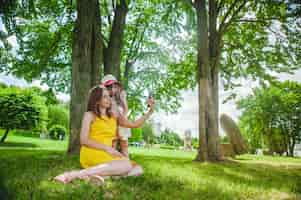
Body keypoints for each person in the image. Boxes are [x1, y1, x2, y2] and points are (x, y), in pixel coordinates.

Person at [54, 85, 155, 184]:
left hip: (108, 154)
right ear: (97, 100)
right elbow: (83, 140)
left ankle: (96, 177)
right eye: (104, 96)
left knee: (138, 169)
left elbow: (134, 124)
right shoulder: (89, 115)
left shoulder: (114, 116)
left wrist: (150, 112)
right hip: (93, 152)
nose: (109, 99)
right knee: (127, 165)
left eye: (109, 96)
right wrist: (107, 149)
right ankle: (71, 175)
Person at [101, 75, 131, 157]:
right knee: (112, 145)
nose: (113, 90)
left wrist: (124, 99)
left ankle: (126, 163)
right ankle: (111, 164)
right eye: (109, 87)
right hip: (112, 125)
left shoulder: (118, 98)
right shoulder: (105, 100)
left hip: (122, 123)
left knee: (124, 146)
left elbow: (125, 111)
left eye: (114, 87)